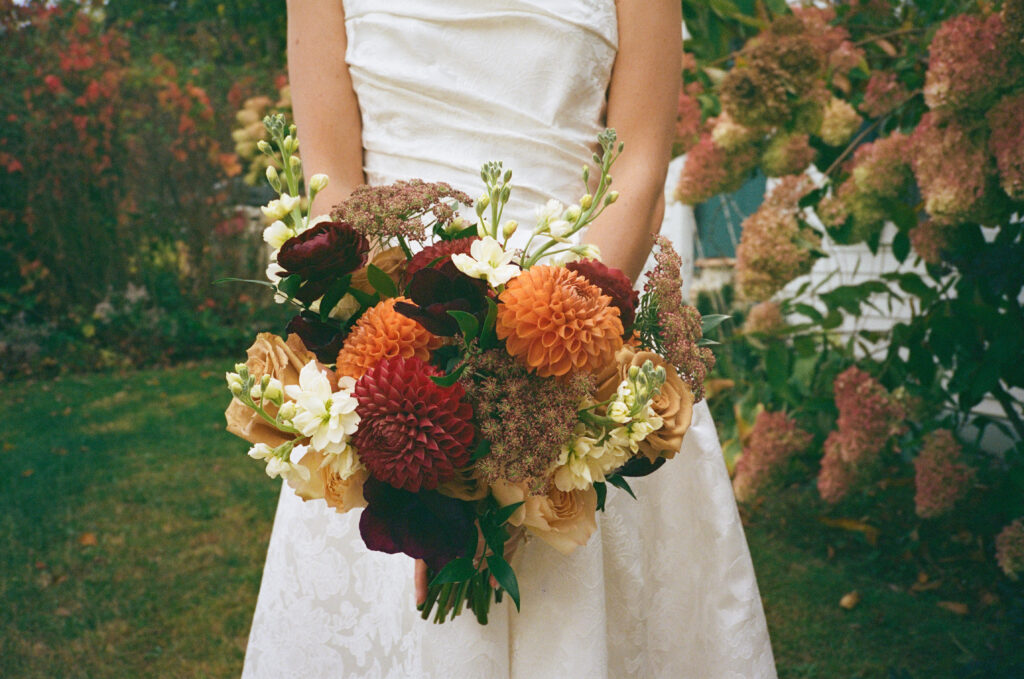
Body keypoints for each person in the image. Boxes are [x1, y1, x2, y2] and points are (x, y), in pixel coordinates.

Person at [242, 1, 777, 677]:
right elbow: (336, 192)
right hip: (394, 355)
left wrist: (544, 397)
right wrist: (414, 410)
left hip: (585, 343)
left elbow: (638, 172)